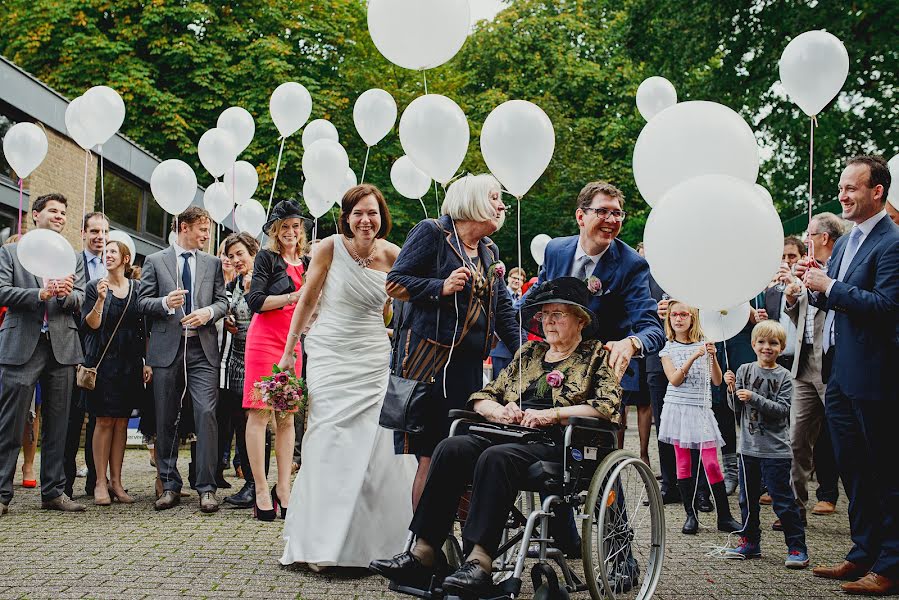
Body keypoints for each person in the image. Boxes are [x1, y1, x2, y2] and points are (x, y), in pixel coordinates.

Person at [369, 278, 622, 596]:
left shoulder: (594, 355)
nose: (549, 321)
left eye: (558, 314)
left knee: (495, 458)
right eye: (545, 314)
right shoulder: (530, 352)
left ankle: (480, 560)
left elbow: (607, 407)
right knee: (451, 447)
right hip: (510, 432)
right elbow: (483, 396)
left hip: (559, 442)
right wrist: (496, 411)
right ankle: (423, 551)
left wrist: (552, 414)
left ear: (580, 320)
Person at [278, 184, 417, 569]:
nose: (365, 220)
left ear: (381, 215)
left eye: (371, 213)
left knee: (372, 443)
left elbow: (399, 308)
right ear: (346, 217)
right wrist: (290, 351)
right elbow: (307, 298)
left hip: (373, 354)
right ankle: (319, 541)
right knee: (328, 437)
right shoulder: (327, 247)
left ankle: (367, 542)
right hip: (329, 350)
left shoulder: (394, 254)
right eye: (357, 213)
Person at [385, 174, 524, 509]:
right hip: (431, 366)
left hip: (468, 368)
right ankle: (421, 547)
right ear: (472, 199)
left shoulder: (490, 250)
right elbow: (395, 283)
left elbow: (503, 308)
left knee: (463, 453)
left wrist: (528, 353)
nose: (502, 205)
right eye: (494, 197)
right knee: (432, 456)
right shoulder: (432, 232)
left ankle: (458, 544)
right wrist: (440, 287)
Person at [794, 155, 899, 595]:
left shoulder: (892, 243)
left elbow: (886, 307)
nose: (842, 195)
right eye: (841, 187)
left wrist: (830, 287)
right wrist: (810, 282)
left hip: (875, 376)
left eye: (852, 188)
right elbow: (833, 299)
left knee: (884, 472)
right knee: (853, 469)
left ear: (878, 192)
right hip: (837, 371)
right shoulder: (849, 241)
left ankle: (891, 566)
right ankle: (861, 554)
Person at [138, 206, 228, 513]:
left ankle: (206, 487)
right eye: (203, 229)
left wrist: (209, 313)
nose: (207, 235)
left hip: (202, 350)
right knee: (166, 418)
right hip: (167, 350)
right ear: (184, 227)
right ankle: (169, 484)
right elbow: (142, 302)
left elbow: (222, 301)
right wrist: (164, 302)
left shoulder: (213, 263)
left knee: (206, 414)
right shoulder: (154, 260)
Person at [0, 193, 85, 514]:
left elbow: (81, 299)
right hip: (21, 346)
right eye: (53, 211)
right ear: (36, 215)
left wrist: (65, 296)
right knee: (10, 423)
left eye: (64, 212)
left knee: (59, 426)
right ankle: (2, 493)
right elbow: (1, 291)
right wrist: (40, 292)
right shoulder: (10, 253)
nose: (60, 216)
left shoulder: (72, 258)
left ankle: (53, 492)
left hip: (62, 349)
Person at [723, 321, 808, 567]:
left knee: (782, 500)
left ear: (781, 348)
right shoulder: (744, 370)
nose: (766, 347)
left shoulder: (784, 376)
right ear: (753, 345)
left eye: (773, 343)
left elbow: (781, 410)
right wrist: (732, 391)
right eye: (761, 342)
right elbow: (736, 409)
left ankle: (796, 547)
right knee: (746, 499)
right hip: (747, 449)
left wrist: (754, 397)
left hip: (775, 452)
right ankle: (750, 542)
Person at [243, 199, 307, 520]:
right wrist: (291, 297)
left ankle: (284, 488)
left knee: (286, 418)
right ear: (275, 230)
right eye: (285, 226)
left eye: (296, 226)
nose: (291, 232)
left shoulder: (308, 262)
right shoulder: (267, 259)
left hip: (291, 345)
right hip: (264, 342)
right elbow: (255, 300)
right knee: (259, 415)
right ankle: (260, 490)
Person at [657, 300, 741, 535]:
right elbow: (674, 380)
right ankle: (690, 515)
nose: (679, 318)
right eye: (674, 315)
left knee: (712, 463)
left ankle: (724, 517)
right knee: (683, 464)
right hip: (677, 409)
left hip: (700, 410)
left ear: (692, 318)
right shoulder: (668, 349)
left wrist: (712, 357)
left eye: (684, 314)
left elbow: (715, 381)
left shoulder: (705, 344)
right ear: (670, 319)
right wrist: (693, 357)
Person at [783, 213, 844, 522]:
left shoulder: (843, 269)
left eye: (809, 235)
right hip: (802, 366)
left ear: (824, 238)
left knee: (843, 439)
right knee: (796, 439)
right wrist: (793, 299)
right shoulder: (807, 270)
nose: (805, 240)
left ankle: (853, 511)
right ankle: (794, 509)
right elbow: (801, 320)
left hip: (831, 366)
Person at [81, 240, 148, 506]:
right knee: (104, 421)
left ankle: (117, 483)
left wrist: (147, 361)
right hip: (103, 361)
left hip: (130, 363)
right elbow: (91, 325)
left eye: (112, 252)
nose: (107, 255)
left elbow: (144, 328)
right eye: (105, 252)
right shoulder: (93, 286)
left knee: (121, 422)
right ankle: (99, 481)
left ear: (125, 257)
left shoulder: (138, 288)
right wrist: (99, 299)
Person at [219, 233, 269, 509]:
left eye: (240, 254)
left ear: (254, 252)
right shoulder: (234, 283)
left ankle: (257, 484)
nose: (236, 260)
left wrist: (253, 293)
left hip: (261, 355)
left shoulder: (265, 279)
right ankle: (250, 480)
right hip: (238, 357)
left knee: (258, 418)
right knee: (242, 421)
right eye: (231, 256)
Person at [64, 211, 108, 498]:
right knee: (71, 419)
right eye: (93, 231)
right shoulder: (71, 263)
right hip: (74, 349)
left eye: (103, 232)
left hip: (105, 354)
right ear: (83, 233)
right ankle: (64, 483)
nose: (99, 237)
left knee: (99, 419)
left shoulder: (113, 264)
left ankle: (96, 481)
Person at [760, 236, 806, 372]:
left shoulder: (809, 286)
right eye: (783, 257)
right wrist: (761, 320)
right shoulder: (771, 293)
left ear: (802, 258)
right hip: (777, 361)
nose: (786, 261)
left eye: (791, 256)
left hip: (804, 361)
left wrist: (793, 281)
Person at [489, 267, 526, 379]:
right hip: (500, 350)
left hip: (515, 349)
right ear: (508, 278)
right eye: (514, 277)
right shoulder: (499, 295)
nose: (516, 281)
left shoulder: (521, 298)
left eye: (520, 279)